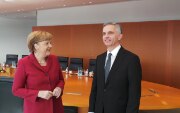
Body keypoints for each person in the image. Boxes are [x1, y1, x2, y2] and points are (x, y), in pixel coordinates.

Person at [88, 22, 142, 113]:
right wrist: (91, 111)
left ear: (120, 36)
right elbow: (95, 89)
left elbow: (134, 94)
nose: (106, 36)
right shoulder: (99, 59)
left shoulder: (131, 59)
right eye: (104, 33)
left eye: (110, 33)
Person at [12, 31, 65, 113]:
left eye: (50, 43)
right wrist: (38, 93)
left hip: (56, 108)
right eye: (47, 43)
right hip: (35, 109)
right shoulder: (24, 63)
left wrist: (59, 88)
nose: (51, 46)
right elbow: (16, 90)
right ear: (36, 46)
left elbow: (61, 80)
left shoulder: (54, 59)